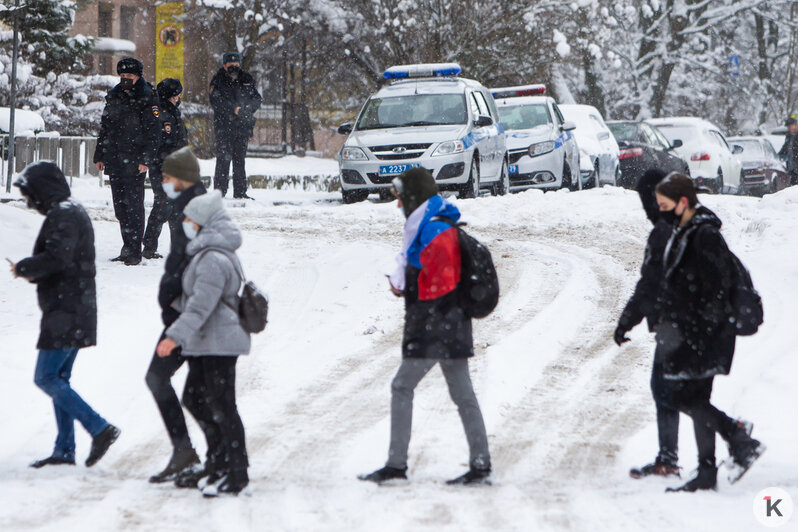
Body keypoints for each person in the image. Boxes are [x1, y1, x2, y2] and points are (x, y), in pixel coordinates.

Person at [358, 168, 491, 486]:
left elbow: (440, 284)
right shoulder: (431, 225)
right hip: (449, 324)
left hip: (436, 327)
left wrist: (418, 306)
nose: (398, 205)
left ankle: (396, 465)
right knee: (463, 394)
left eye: (401, 198)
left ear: (413, 198)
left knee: (402, 386)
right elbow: (430, 275)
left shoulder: (432, 230)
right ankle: (480, 463)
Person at [654, 173, 764, 492]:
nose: (661, 211)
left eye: (665, 205)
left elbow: (717, 289)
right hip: (695, 332)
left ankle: (739, 438)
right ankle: (706, 470)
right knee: (696, 398)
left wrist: (695, 327)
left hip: (706, 334)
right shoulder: (687, 231)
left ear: (683, 202)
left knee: (683, 396)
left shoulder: (704, 235)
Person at [10, 161, 120, 469]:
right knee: (59, 379)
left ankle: (99, 428)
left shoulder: (65, 215)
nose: (30, 203)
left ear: (42, 190)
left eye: (30, 195)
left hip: (66, 309)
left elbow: (58, 257)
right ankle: (64, 450)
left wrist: (25, 267)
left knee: (46, 377)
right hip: (72, 306)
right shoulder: (70, 211)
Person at [155, 190, 251, 496]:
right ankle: (219, 458)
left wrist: (173, 337)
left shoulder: (212, 258)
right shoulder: (209, 252)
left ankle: (236, 471)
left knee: (223, 406)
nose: (185, 223)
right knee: (196, 399)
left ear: (204, 223)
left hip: (219, 342)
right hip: (209, 341)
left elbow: (200, 307)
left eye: (190, 219)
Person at [614, 169, 682, 479]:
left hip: (674, 322)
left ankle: (670, 458)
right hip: (686, 321)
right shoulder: (680, 225)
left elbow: (649, 285)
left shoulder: (664, 232)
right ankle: (671, 456)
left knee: (668, 389)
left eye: (647, 200)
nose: (645, 208)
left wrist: (627, 321)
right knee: (677, 390)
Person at [144, 146, 207, 483]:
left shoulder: (195, 210)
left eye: (168, 177)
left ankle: (213, 457)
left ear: (182, 179)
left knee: (171, 382)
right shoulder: (186, 204)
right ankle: (198, 454)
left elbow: (193, 263)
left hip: (190, 315)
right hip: (183, 313)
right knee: (200, 394)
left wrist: (174, 299)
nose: (163, 182)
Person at [94, 57, 162, 266]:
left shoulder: (148, 97)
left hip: (135, 160)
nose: (125, 80)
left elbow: (154, 133)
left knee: (133, 206)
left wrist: (145, 159)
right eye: (122, 76)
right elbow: (105, 127)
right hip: (115, 158)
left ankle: (134, 250)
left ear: (138, 76)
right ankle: (127, 246)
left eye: (129, 76)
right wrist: (100, 154)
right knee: (120, 207)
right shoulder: (114, 96)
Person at [142, 78, 189, 259]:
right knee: (162, 206)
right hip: (164, 167)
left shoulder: (173, 112)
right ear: (171, 95)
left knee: (176, 208)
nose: (179, 98)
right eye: (177, 94)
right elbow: (161, 143)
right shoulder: (161, 114)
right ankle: (149, 246)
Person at [209, 51, 262, 199]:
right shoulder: (218, 80)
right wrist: (234, 109)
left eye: (236, 64)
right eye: (231, 64)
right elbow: (216, 101)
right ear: (224, 65)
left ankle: (240, 192)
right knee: (223, 161)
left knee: (240, 161)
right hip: (224, 127)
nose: (234, 67)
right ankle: (219, 193)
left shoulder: (246, 79)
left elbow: (256, 98)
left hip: (242, 127)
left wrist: (248, 109)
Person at [777, 113, 798, 186]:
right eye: (788, 126)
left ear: (796, 125)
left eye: (790, 126)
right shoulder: (789, 136)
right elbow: (785, 149)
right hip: (792, 169)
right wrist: (778, 156)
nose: (788, 128)